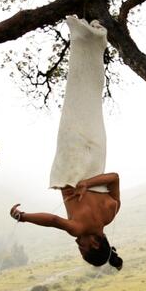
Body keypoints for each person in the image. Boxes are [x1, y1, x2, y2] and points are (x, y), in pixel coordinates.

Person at [10, 15, 123, 270]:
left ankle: (93, 40)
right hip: (72, 159)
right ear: (94, 244)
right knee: (75, 100)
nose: (78, 247)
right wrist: (22, 217)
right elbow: (52, 220)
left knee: (90, 101)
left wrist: (89, 183)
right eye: (83, 251)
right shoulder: (79, 229)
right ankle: (85, 39)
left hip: (95, 151)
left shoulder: (112, 212)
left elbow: (114, 177)